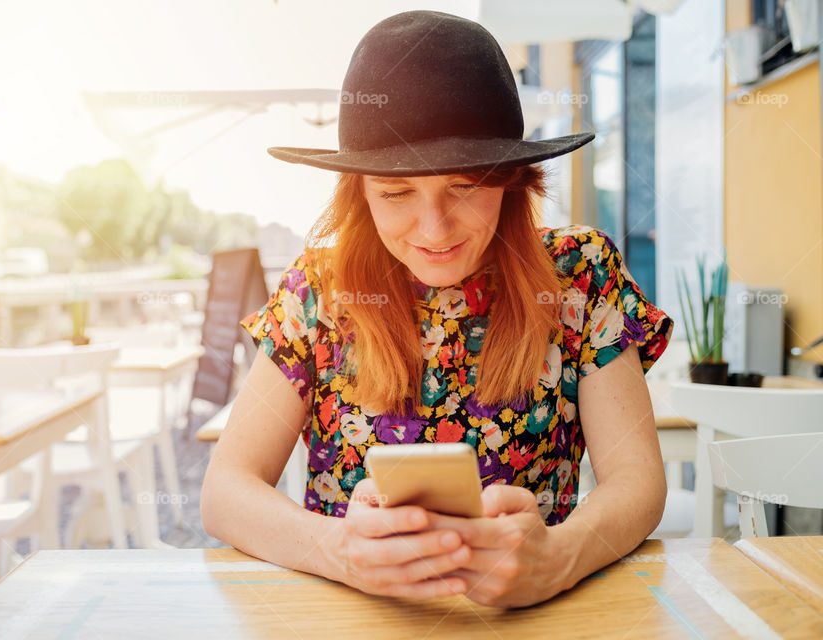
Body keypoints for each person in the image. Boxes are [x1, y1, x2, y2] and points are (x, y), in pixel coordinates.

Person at [201, 9, 674, 609]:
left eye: (466, 187)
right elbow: (225, 490)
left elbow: (638, 481)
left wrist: (558, 558)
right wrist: (339, 550)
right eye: (396, 194)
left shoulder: (580, 276)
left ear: (513, 180)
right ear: (359, 193)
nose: (434, 229)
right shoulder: (318, 290)